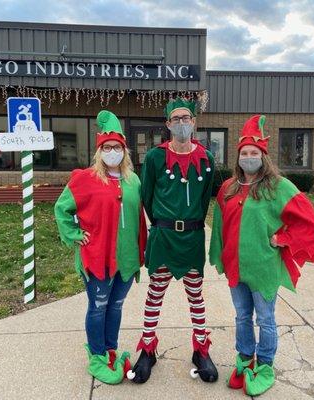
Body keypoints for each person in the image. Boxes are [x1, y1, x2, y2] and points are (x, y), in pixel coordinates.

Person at [209, 115, 314, 396]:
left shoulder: (278, 187)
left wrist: (283, 238)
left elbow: (307, 221)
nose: (248, 157)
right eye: (244, 153)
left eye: (254, 153)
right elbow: (219, 226)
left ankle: (264, 364)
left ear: (263, 156)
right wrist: (220, 255)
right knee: (241, 316)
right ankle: (244, 359)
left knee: (264, 318)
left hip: (263, 266)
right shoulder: (228, 188)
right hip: (236, 266)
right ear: (237, 156)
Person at [55, 110, 147, 385]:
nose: (112, 152)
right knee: (98, 306)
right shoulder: (85, 178)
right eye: (107, 148)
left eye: (116, 147)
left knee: (116, 306)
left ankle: (110, 349)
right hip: (97, 256)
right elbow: (62, 208)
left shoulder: (133, 181)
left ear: (124, 150)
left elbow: (139, 218)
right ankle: (96, 356)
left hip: (126, 257)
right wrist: (73, 233)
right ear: (99, 151)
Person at [129, 98, 217, 383]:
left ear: (193, 122)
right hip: (164, 237)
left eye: (186, 118)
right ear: (168, 124)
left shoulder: (207, 159)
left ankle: (201, 350)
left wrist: (189, 223)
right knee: (155, 294)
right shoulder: (155, 158)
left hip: (191, 238)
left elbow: (205, 201)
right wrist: (164, 223)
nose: (182, 123)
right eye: (176, 119)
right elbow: (147, 196)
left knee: (196, 296)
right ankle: (147, 349)